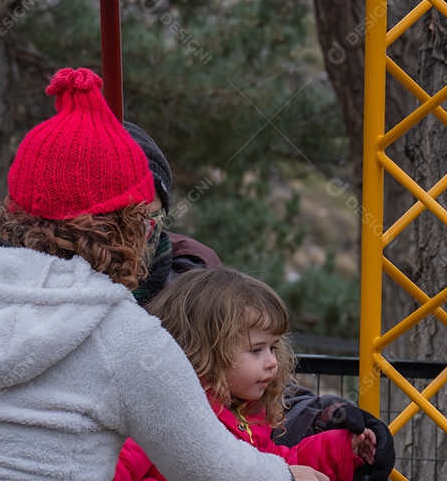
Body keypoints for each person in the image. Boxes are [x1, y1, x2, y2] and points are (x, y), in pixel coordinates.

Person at [0, 68, 329, 481]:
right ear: (125, 226)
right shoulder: (123, 335)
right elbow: (210, 466)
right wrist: (290, 476)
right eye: (144, 219)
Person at [123, 122, 396, 481]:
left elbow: (270, 449)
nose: (137, 231)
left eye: (150, 215)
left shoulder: (195, 277)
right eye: (121, 217)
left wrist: (331, 431)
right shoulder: (166, 409)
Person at [114, 267, 376, 481]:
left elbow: (278, 466)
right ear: (208, 350)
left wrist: (339, 448)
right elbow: (113, 470)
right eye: (256, 350)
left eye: (273, 348)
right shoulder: (162, 410)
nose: (272, 362)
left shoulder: (247, 414)